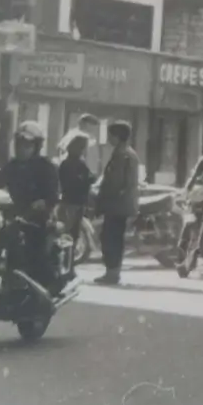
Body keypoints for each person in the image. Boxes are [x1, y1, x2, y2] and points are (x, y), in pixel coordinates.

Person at [0, 121, 63, 297]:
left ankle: (46, 288)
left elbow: (53, 195)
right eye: (19, 144)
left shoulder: (46, 167)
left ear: (36, 147)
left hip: (39, 217)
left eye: (27, 145)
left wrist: (43, 203)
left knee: (37, 250)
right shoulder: (11, 166)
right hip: (18, 213)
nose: (21, 148)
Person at [94, 121, 141, 286]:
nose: (108, 138)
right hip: (122, 204)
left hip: (116, 205)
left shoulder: (121, 154)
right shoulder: (127, 152)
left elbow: (115, 182)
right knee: (114, 237)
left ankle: (112, 272)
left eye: (110, 135)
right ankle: (113, 271)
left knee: (110, 237)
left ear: (117, 136)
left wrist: (101, 200)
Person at [57, 131, 95, 248]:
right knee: (71, 235)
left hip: (69, 202)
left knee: (68, 235)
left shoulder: (66, 163)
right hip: (73, 203)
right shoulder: (77, 164)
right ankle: (69, 262)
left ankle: (69, 262)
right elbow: (87, 179)